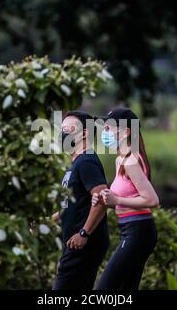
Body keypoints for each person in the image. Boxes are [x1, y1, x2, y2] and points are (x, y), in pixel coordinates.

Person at [93, 108, 159, 290]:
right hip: (129, 228)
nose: (104, 133)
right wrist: (105, 199)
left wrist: (116, 200)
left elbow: (152, 200)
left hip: (139, 231)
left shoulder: (131, 161)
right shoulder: (120, 160)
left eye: (108, 128)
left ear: (126, 132)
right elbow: (126, 198)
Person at [52, 110, 110, 290]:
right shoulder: (75, 164)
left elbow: (102, 198)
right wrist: (46, 221)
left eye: (68, 129)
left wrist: (84, 233)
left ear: (84, 133)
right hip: (75, 244)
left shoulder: (86, 162)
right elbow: (71, 206)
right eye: (62, 129)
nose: (63, 134)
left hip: (83, 245)